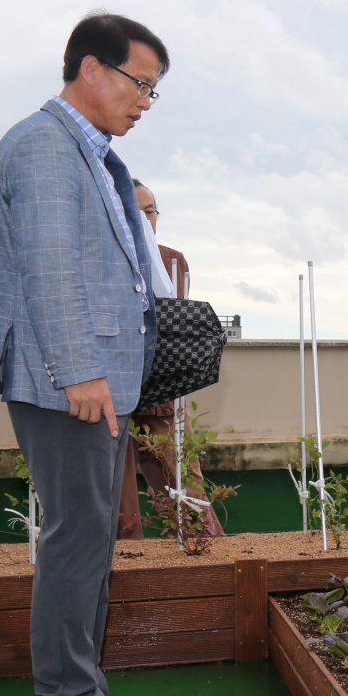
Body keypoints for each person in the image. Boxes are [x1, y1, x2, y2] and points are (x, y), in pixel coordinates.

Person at [0, 12, 170, 696]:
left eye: (155, 90)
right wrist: (81, 371)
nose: (146, 102)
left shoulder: (82, 151)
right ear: (92, 68)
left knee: (90, 536)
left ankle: (82, 685)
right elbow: (52, 271)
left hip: (88, 377)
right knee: (76, 539)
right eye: (140, 83)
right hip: (68, 378)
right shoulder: (45, 148)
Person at [117, 179, 225, 541]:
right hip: (109, 390)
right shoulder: (97, 259)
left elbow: (173, 320)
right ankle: (125, 568)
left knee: (184, 486)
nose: (145, 219)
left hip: (162, 391)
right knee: (118, 500)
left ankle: (206, 555)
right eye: (136, 211)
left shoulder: (172, 261)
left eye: (150, 211)